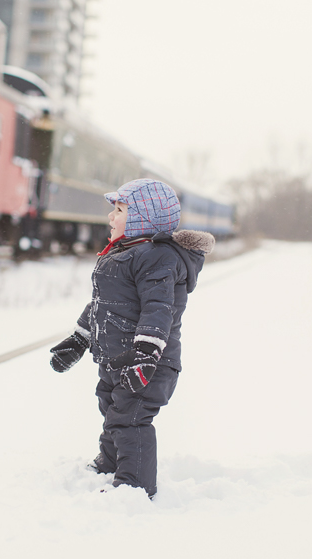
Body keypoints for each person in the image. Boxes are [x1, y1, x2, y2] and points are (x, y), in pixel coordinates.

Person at [49, 179, 214, 497]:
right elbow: (103, 306)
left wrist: (146, 353)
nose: (111, 217)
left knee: (130, 418)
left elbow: (158, 309)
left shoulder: (156, 259)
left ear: (144, 218)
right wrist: (80, 338)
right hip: (116, 359)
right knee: (111, 408)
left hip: (149, 362)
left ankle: (135, 486)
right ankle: (111, 462)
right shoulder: (122, 255)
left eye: (120, 210)